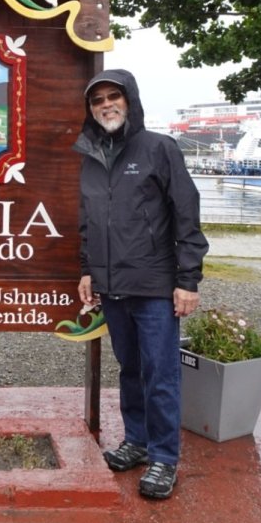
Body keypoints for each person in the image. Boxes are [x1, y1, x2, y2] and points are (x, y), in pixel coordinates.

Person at [74, 68, 208, 500]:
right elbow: (88, 223)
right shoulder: (91, 156)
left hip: (154, 287)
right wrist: (88, 270)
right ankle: (137, 441)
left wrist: (188, 280)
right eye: (98, 100)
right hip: (112, 287)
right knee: (130, 369)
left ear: (130, 100)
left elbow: (187, 214)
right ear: (91, 109)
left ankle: (165, 458)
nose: (106, 105)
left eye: (114, 97)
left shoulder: (158, 148)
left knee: (160, 373)